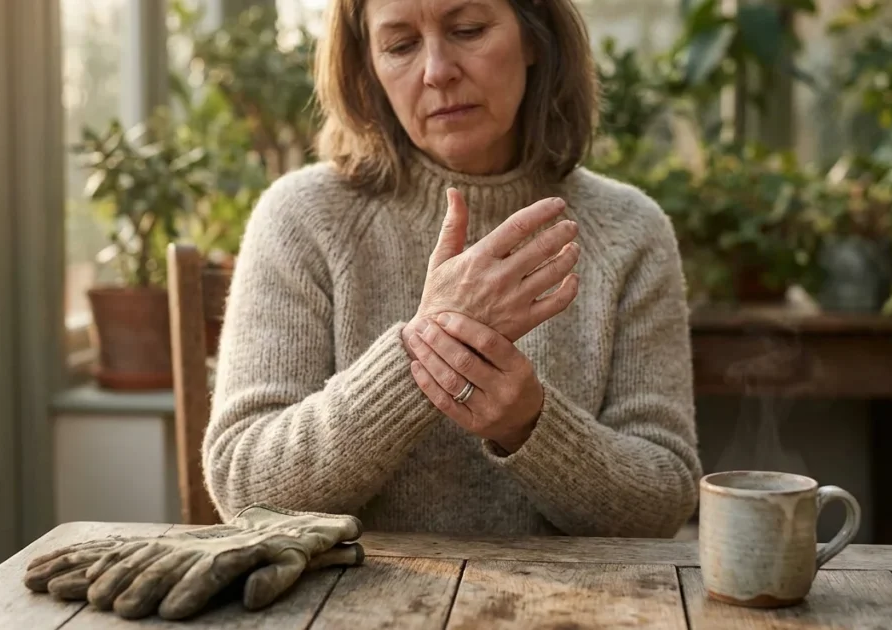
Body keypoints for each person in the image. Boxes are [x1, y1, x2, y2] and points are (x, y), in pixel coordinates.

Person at [204, 0, 702, 538]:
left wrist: (530, 423)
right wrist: (424, 352)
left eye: (468, 30)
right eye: (400, 46)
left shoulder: (630, 230)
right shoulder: (302, 218)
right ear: (368, 66)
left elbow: (664, 497)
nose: (438, 71)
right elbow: (245, 486)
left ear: (535, 38)